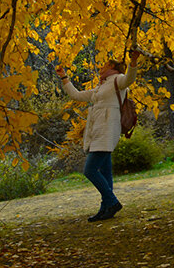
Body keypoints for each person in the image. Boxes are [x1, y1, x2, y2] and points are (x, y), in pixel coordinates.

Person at [57, 50, 140, 222]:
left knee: (90, 170)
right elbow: (76, 95)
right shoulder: (101, 87)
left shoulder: (118, 79)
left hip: (108, 129)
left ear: (112, 67)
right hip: (98, 130)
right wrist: (64, 77)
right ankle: (106, 208)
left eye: (104, 65)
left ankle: (112, 202)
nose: (101, 68)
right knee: (105, 171)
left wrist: (133, 61)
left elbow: (129, 79)